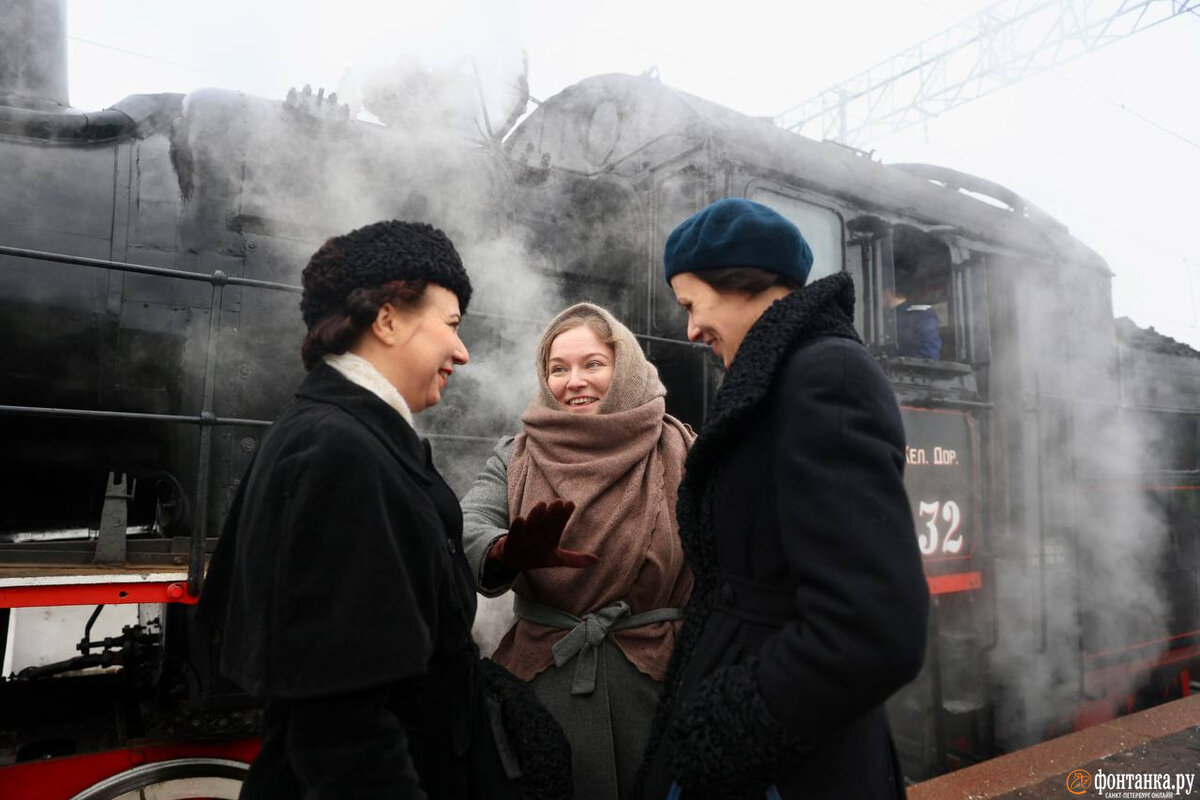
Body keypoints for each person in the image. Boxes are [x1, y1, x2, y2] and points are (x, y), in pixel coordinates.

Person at [198, 220, 570, 800]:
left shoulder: (339, 432)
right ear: (389, 318)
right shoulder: (339, 451)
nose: (463, 352)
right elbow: (344, 724)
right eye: (451, 325)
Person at [637, 199, 930, 800]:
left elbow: (874, 626)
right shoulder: (783, 376)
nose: (690, 329)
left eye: (693, 304)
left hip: (783, 757)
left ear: (744, 282)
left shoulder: (827, 377)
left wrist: (731, 722)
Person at [462, 302, 695, 800]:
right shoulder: (516, 454)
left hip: (657, 681)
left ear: (625, 367)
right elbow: (469, 523)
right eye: (558, 368)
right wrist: (505, 551)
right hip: (544, 682)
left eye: (593, 364)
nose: (574, 382)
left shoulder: (679, 449)